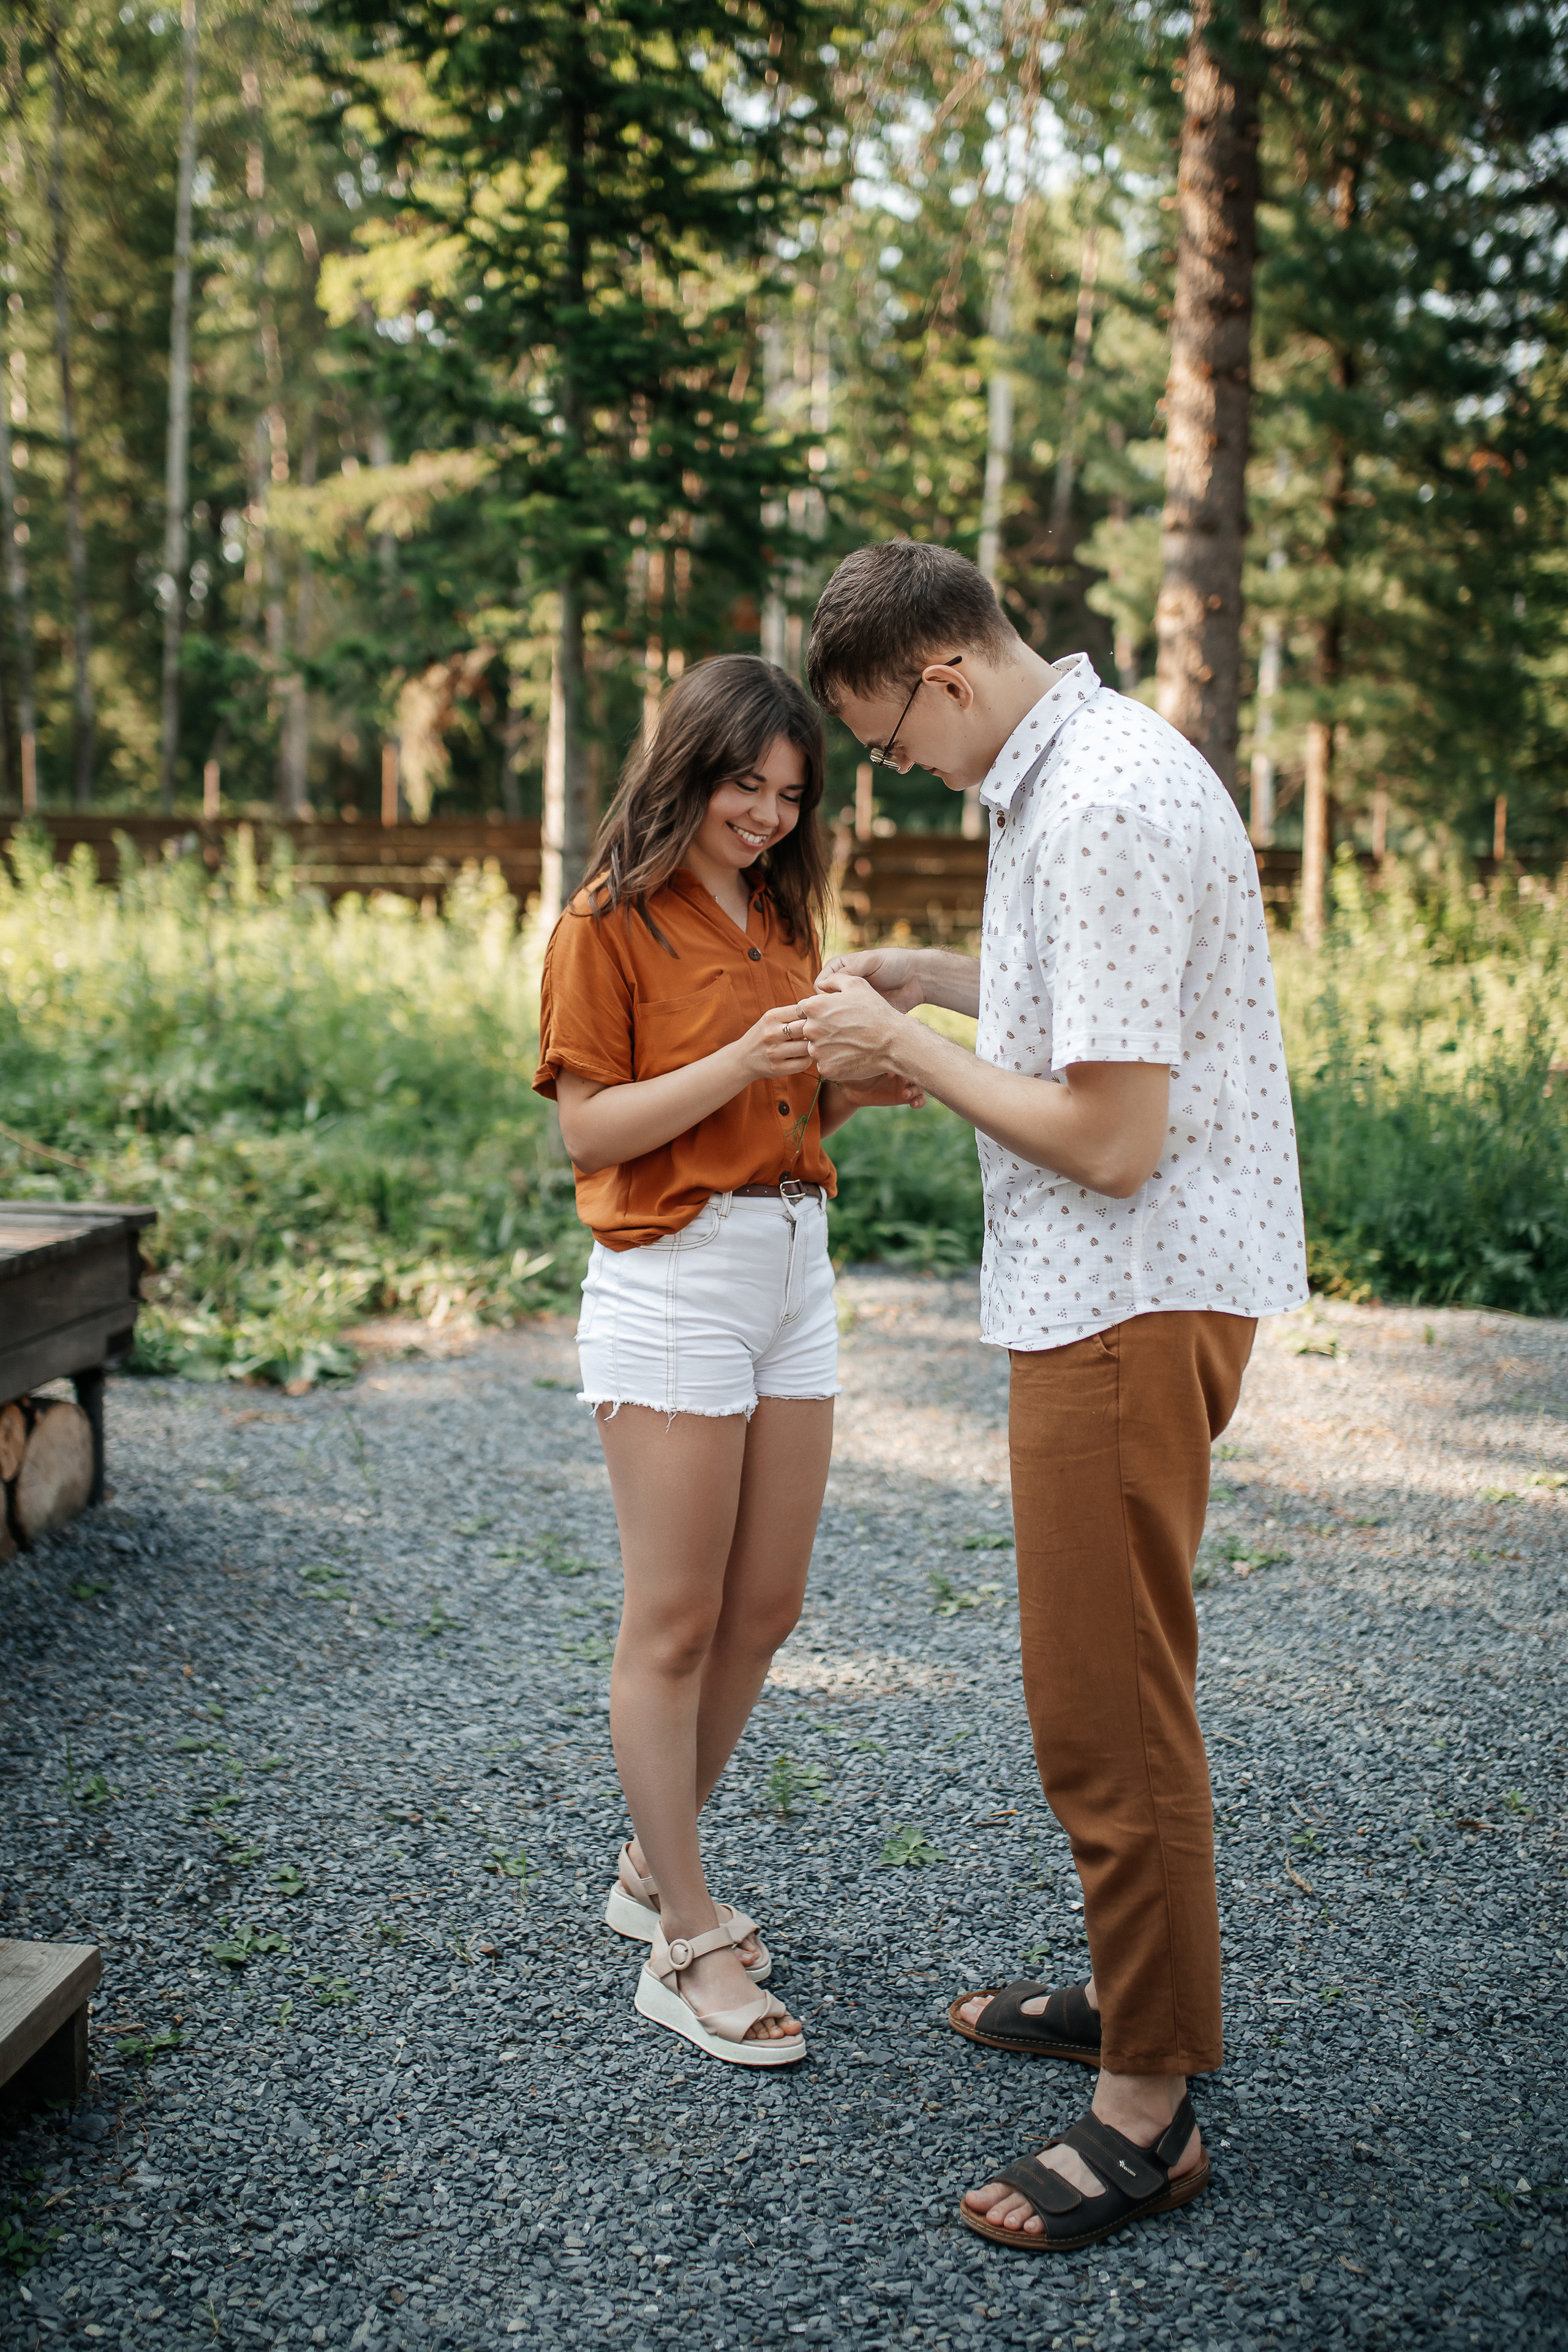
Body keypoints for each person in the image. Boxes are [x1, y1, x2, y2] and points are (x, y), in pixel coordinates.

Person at [797, 540, 1308, 2245]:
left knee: (1105, 1704)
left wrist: (901, 1059)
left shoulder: (1088, 807)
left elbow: (1108, 1139)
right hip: (1132, 1290)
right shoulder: (1082, 768)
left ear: (943, 674)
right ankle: (1132, 1988)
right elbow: (1100, 1029)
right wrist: (940, 985)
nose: (898, 774)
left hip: (1127, 1294)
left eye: (886, 744)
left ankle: (1146, 2113)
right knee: (1110, 1673)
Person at [532, 653, 921, 2070]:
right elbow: (591, 1130)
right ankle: (681, 1934)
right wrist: (747, 1057)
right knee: (675, 1620)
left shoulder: (776, 912)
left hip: (790, 1264)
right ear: (686, 768)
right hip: (669, 1281)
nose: (764, 815)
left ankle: (650, 1863)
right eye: (742, 786)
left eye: (787, 794)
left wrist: (864, 1079)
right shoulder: (606, 923)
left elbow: (785, 1110)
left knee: (766, 1605)